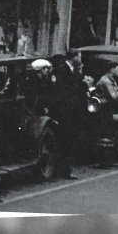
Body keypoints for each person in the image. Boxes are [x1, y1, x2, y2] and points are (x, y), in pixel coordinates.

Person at [50, 50, 88, 178]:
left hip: (71, 111)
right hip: (65, 112)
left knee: (69, 141)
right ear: (74, 57)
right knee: (65, 141)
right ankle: (62, 170)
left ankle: (65, 169)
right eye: (79, 56)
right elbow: (62, 92)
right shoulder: (62, 70)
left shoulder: (73, 70)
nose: (81, 59)